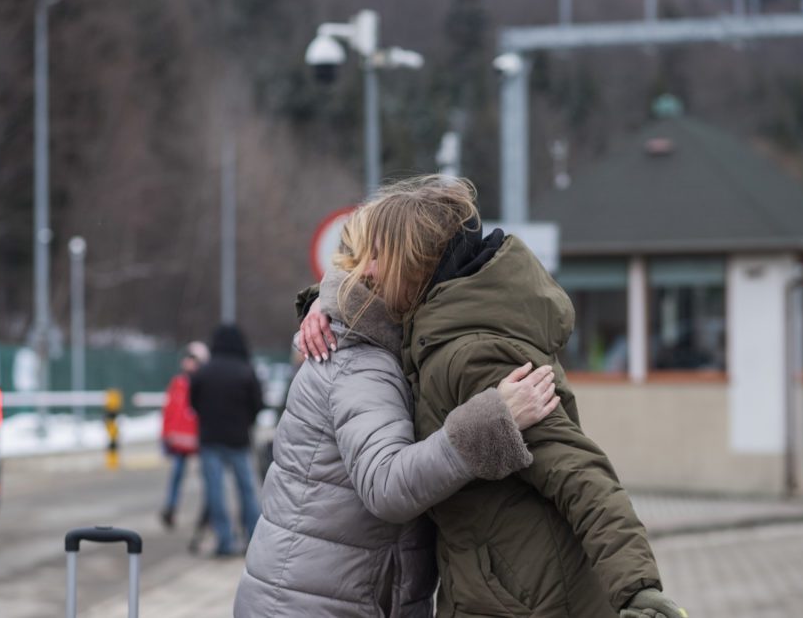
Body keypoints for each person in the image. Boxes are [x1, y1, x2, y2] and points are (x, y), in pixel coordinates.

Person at [297, 175, 687, 618]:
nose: (364, 271)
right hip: (489, 590)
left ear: (416, 261)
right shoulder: (434, 330)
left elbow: (579, 472)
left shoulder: (472, 353)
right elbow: (375, 311)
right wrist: (324, 304)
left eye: (377, 257)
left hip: (534, 599)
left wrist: (639, 593)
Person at [233, 205, 561, 617]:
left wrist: (326, 301)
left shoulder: (380, 345)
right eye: (365, 257)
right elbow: (387, 484)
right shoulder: (363, 363)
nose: (367, 269)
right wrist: (495, 421)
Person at [189, 324, 264, 557]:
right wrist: (245, 422)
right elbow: (258, 404)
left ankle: (224, 540)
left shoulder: (205, 371)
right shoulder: (246, 370)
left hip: (210, 438)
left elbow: (193, 401)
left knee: (215, 491)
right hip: (239, 439)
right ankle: (253, 537)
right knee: (247, 491)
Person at [159, 341, 209, 530]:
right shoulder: (178, 383)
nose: (189, 363)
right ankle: (170, 508)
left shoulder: (203, 383)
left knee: (207, 477)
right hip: (179, 442)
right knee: (177, 476)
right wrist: (165, 435)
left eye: (193, 360)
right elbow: (169, 410)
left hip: (199, 440)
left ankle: (207, 513)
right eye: (187, 359)